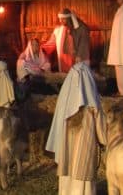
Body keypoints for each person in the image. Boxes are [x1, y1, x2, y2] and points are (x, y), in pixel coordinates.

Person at [45, 63, 107, 195]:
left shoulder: (64, 104)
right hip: (83, 160)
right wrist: (104, 142)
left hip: (67, 159)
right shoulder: (93, 108)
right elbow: (102, 134)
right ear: (89, 81)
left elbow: (57, 128)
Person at [41, 8, 90, 73]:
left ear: (69, 19)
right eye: (60, 19)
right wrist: (41, 49)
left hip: (76, 59)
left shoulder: (81, 29)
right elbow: (51, 43)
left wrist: (79, 55)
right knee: (65, 78)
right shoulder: (58, 30)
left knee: (77, 77)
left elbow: (83, 44)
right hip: (63, 61)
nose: (61, 21)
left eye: (63, 19)